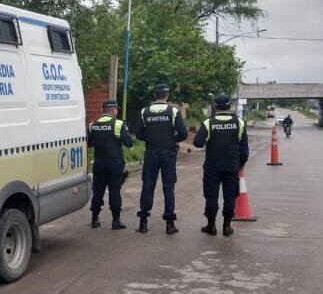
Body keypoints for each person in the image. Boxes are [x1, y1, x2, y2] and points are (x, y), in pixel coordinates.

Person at [193, 95, 249, 237]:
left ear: (215, 106)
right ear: (230, 106)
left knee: (211, 195)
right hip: (232, 165)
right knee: (230, 196)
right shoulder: (240, 123)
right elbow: (244, 149)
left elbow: (198, 143)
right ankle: (227, 226)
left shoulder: (208, 123)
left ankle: (211, 226)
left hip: (213, 166)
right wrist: (241, 164)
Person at [135, 83, 187, 234]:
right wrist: (171, 139)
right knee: (168, 188)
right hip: (168, 154)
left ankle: (143, 223)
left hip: (151, 153)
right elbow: (183, 133)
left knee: (147, 187)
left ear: (154, 95)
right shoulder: (173, 111)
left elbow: (139, 134)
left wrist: (151, 139)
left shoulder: (145, 111)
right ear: (167, 95)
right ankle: (170, 224)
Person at [88, 100, 134, 230]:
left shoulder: (93, 125)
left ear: (104, 110)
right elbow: (129, 142)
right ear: (113, 110)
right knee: (114, 191)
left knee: (97, 191)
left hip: (99, 163)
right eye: (116, 109)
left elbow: (89, 143)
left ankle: (94, 219)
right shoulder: (118, 124)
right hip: (115, 163)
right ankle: (115, 221)